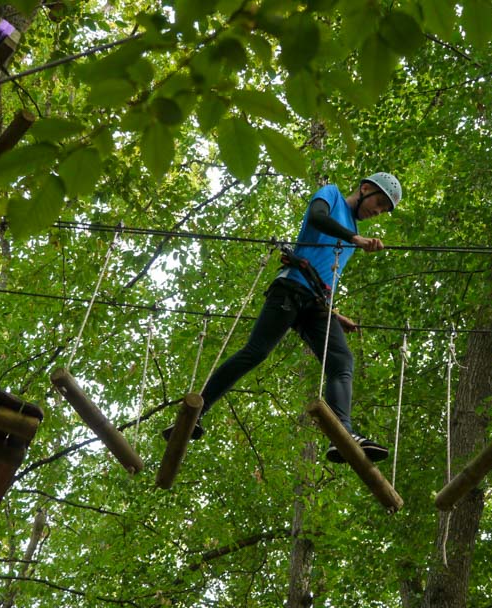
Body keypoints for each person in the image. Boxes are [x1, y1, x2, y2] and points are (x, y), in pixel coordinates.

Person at [164, 172, 402, 464]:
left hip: (316, 303)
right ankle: (195, 414)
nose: (376, 212)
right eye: (378, 203)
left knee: (341, 363)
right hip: (290, 290)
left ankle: (343, 433)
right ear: (365, 189)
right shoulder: (331, 195)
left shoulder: (352, 234)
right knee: (255, 352)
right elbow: (316, 218)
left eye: (382, 211)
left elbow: (323, 271)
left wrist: (334, 314)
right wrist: (353, 237)